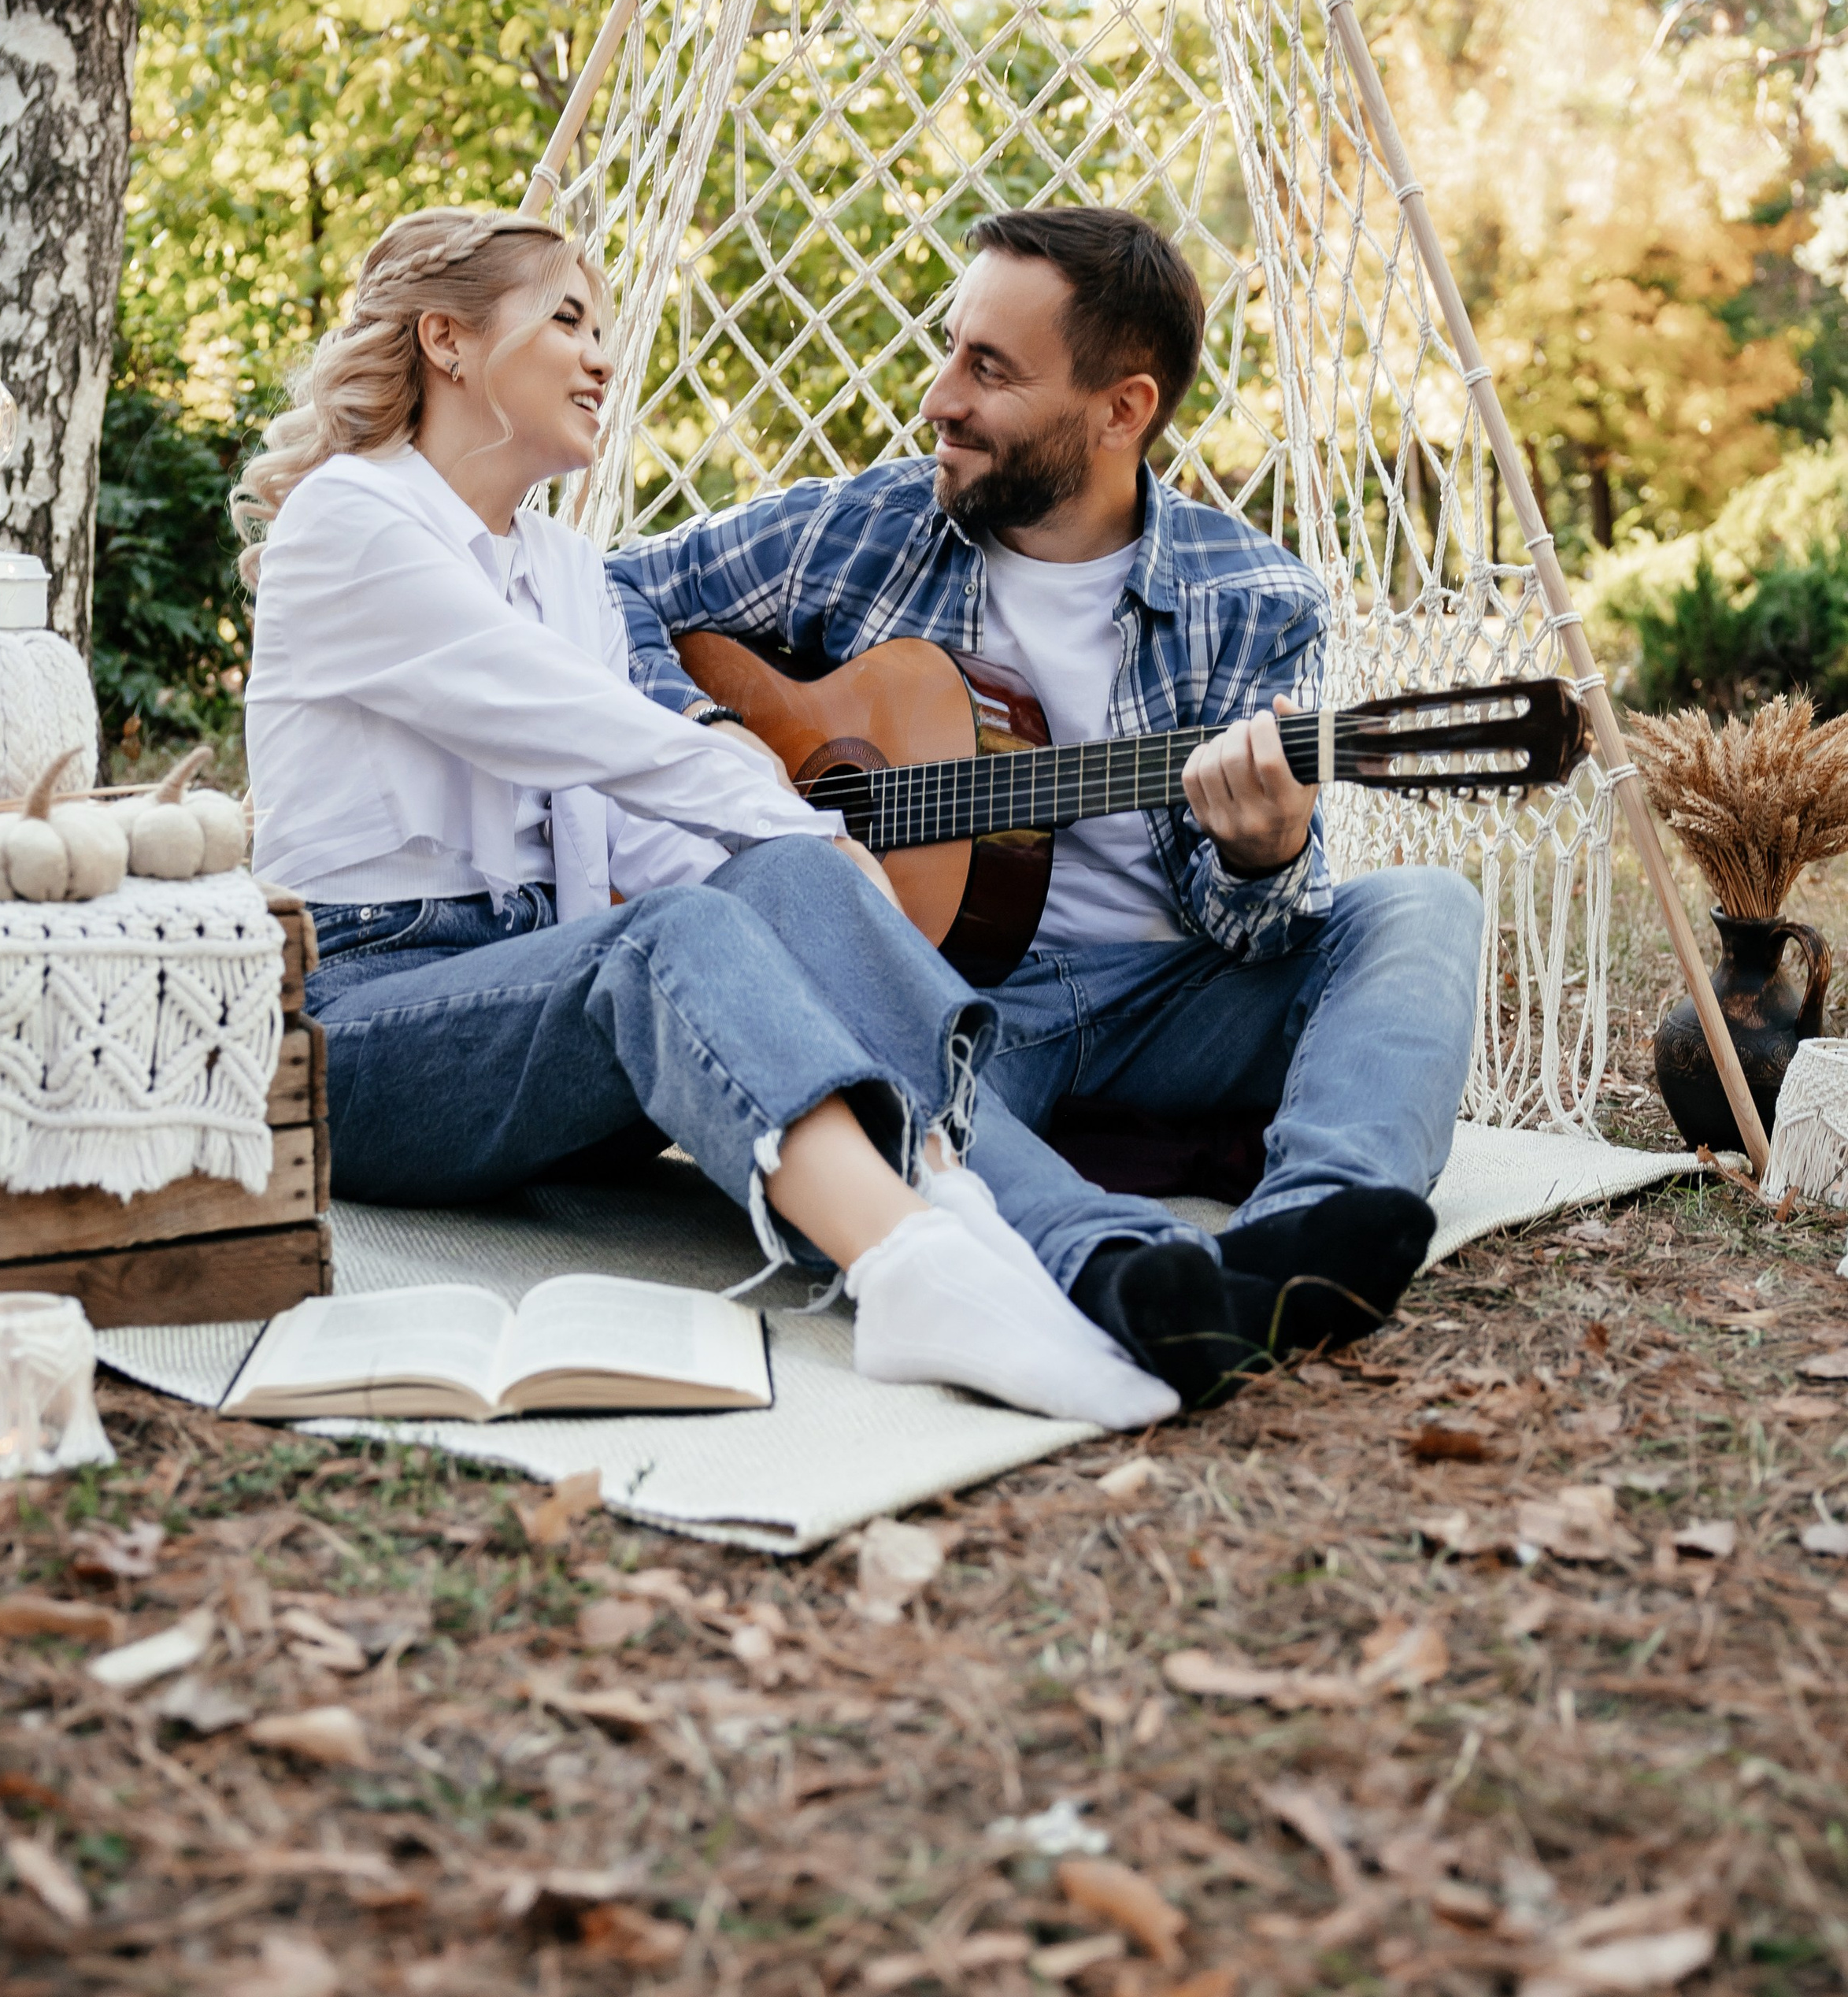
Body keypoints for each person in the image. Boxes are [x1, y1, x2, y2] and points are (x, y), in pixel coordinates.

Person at [232, 205, 1189, 1433]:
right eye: (567, 320)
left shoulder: (570, 574)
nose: (600, 357)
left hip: (535, 1013)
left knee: (768, 878)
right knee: (692, 914)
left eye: (602, 329)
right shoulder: (352, 522)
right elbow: (585, 731)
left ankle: (1045, 1234)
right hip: (361, 1031)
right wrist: (792, 818)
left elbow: (645, 839)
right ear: (447, 343)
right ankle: (913, 1277)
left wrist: (812, 881)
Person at [609, 205, 1486, 1403]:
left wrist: (1262, 854)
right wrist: (725, 741)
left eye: (988, 368)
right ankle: (1103, 1237)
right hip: (955, 1004)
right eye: (950, 348)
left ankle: (1306, 1242)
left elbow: (1256, 938)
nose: (939, 399)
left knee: (1423, 907)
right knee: (849, 1098)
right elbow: (607, 592)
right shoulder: (869, 525)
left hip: (1175, 996)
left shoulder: (1256, 598)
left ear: (1123, 410)